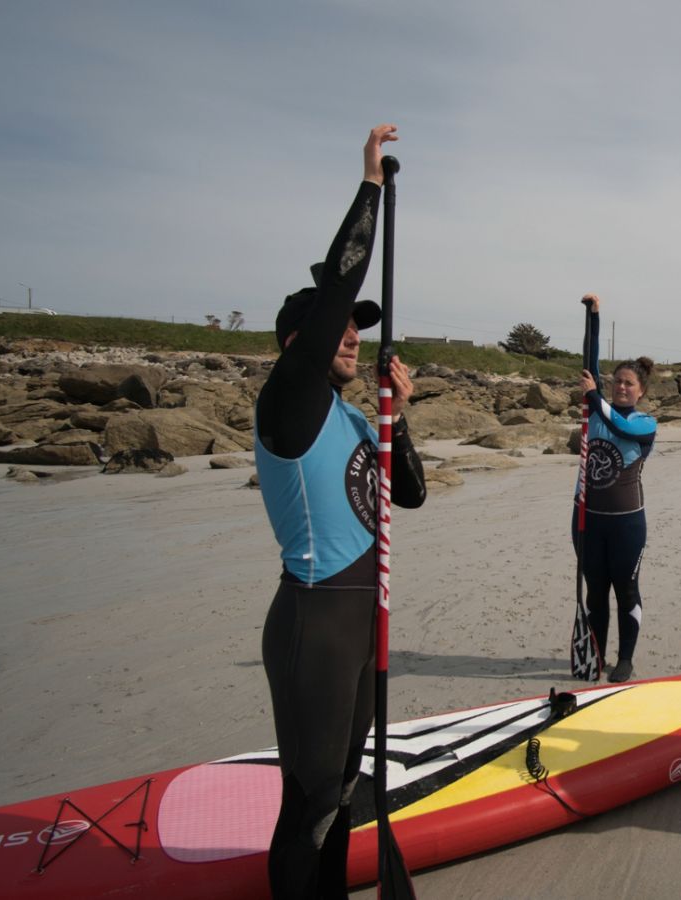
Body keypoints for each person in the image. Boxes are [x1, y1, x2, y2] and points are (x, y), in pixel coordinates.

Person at [254, 123, 427, 900]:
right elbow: (333, 296)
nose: (355, 333)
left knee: (344, 798)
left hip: (363, 629)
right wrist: (371, 189)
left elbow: (411, 494)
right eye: (342, 324)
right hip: (315, 624)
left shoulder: (355, 418)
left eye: (362, 324)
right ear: (301, 339)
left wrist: (400, 414)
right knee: (312, 800)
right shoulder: (290, 403)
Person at [574, 293, 657, 683]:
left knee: (625, 590)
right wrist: (594, 317)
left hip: (627, 524)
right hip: (588, 520)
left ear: (640, 391)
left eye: (629, 384)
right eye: (616, 382)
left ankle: (625, 659)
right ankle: (596, 655)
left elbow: (621, 426)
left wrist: (594, 395)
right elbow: (589, 368)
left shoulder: (644, 423)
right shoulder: (596, 411)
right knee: (595, 593)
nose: (621, 387)